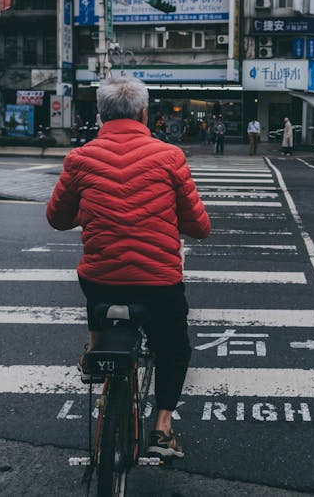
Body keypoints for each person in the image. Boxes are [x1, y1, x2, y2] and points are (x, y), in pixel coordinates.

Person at [46, 76, 211, 460]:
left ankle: (94, 349)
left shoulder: (79, 158)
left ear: (100, 114)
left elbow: (57, 218)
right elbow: (199, 227)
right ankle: (163, 429)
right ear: (143, 114)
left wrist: (90, 213)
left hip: (101, 282)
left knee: (95, 274)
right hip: (159, 283)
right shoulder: (170, 157)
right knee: (173, 348)